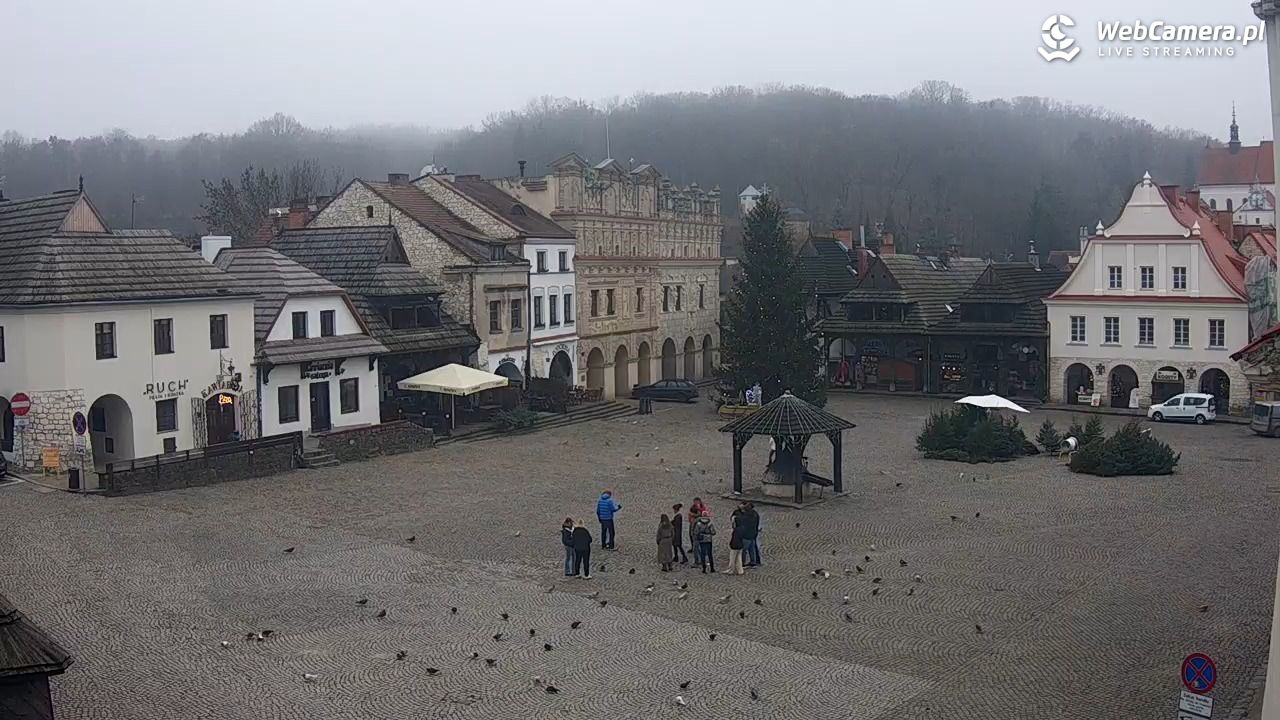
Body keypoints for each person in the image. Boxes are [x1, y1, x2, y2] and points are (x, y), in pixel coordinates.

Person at [740, 502, 762, 567]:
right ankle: (753, 561)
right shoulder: (755, 514)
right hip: (754, 534)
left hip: (747, 535)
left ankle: (742, 562)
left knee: (744, 550)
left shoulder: (746, 516)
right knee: (752, 549)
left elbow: (743, 523)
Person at [688, 498, 708, 565]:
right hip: (693, 528)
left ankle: (699, 561)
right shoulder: (693, 507)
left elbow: (702, 514)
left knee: (698, 547)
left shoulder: (701, 510)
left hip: (697, 533)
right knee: (696, 545)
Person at [724, 511, 745, 575]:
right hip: (740, 545)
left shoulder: (736, 530)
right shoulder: (742, 527)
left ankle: (731, 570)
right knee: (739, 558)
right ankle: (740, 570)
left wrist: (731, 544)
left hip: (735, 545)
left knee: (732, 558)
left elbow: (735, 539)